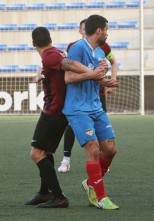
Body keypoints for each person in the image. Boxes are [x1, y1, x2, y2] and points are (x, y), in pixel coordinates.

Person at [26, 27, 105, 208]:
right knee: (46, 151)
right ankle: (44, 193)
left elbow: (69, 64)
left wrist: (94, 76)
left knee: (36, 153)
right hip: (59, 110)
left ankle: (59, 196)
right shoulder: (54, 52)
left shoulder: (50, 56)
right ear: (51, 39)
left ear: (33, 44)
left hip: (53, 111)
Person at [63, 14, 119, 209]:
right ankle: (100, 197)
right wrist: (93, 74)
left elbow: (95, 78)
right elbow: (68, 77)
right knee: (93, 149)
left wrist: (106, 81)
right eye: (106, 30)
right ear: (98, 31)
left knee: (110, 150)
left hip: (96, 107)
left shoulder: (100, 54)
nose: (107, 34)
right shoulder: (78, 48)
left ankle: (90, 183)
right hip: (78, 108)